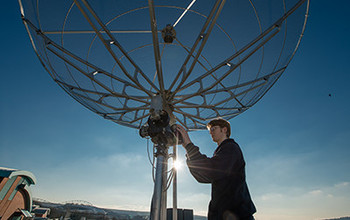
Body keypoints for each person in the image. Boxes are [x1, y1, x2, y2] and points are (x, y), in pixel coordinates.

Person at [176, 119, 256, 220]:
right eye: (210, 130)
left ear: (224, 129)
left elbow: (211, 170)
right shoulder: (222, 152)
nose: (211, 132)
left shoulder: (230, 148)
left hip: (236, 214)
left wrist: (189, 145)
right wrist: (188, 149)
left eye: (213, 129)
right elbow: (202, 177)